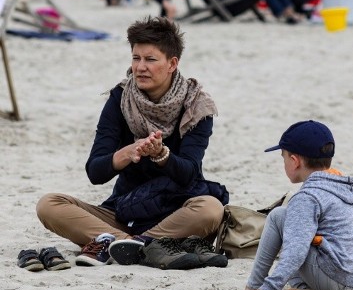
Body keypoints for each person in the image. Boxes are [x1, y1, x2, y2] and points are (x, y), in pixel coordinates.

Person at [35, 17, 229, 268]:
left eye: (150, 59)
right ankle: (136, 244)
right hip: (124, 211)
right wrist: (126, 153)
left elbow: (189, 173)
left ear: (172, 63)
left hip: (176, 210)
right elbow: (95, 171)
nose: (140, 67)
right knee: (49, 204)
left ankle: (127, 244)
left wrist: (162, 155)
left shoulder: (196, 106)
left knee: (212, 209)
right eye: (136, 58)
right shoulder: (120, 98)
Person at [239, 120, 353, 290]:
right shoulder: (344, 189)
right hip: (351, 278)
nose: (283, 163)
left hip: (329, 278)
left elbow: (296, 252)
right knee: (292, 222)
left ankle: (254, 285)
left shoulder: (307, 197)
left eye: (283, 157)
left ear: (294, 161)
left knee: (277, 217)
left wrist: (267, 289)